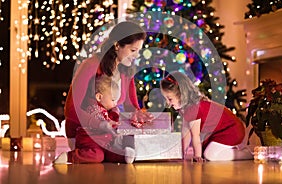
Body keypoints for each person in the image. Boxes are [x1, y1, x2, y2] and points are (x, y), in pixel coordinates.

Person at [56, 21, 152, 164]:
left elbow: (131, 107)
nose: (136, 56)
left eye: (139, 51)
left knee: (128, 154)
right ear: (117, 45)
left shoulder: (126, 71)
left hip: (108, 134)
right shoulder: (90, 65)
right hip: (84, 133)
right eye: (133, 50)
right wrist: (100, 124)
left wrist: (140, 115)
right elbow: (71, 109)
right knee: (97, 156)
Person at [160, 71, 253, 161]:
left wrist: (197, 156)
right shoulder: (186, 108)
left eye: (170, 99)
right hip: (219, 132)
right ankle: (235, 151)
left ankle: (246, 154)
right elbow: (186, 133)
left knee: (209, 155)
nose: (168, 103)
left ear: (181, 94)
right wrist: (181, 154)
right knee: (206, 151)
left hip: (231, 129)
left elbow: (195, 136)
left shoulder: (193, 108)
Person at [54, 74, 134, 164]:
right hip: (90, 141)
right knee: (97, 155)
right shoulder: (93, 108)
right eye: (113, 100)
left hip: (104, 142)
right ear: (99, 97)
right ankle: (68, 156)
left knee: (111, 152)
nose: (115, 103)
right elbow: (106, 123)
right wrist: (115, 114)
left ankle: (125, 156)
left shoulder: (105, 108)